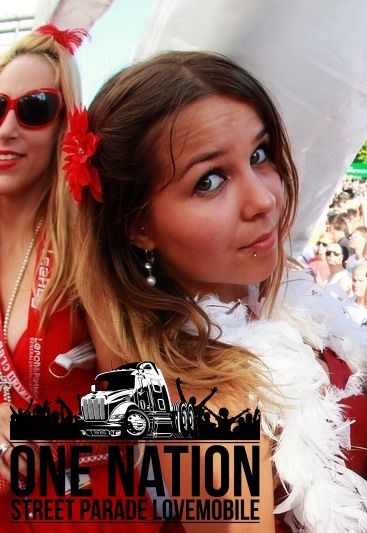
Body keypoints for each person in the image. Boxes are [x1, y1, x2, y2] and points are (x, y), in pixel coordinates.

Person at [74, 51, 367, 532]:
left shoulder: (277, 302)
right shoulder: (203, 407)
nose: (263, 199)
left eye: (260, 155)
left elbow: (360, 398)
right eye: (209, 181)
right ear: (138, 225)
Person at [0, 25, 136, 530]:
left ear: (66, 129)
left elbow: (136, 413)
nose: (6, 128)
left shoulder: (85, 248)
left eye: (34, 109)